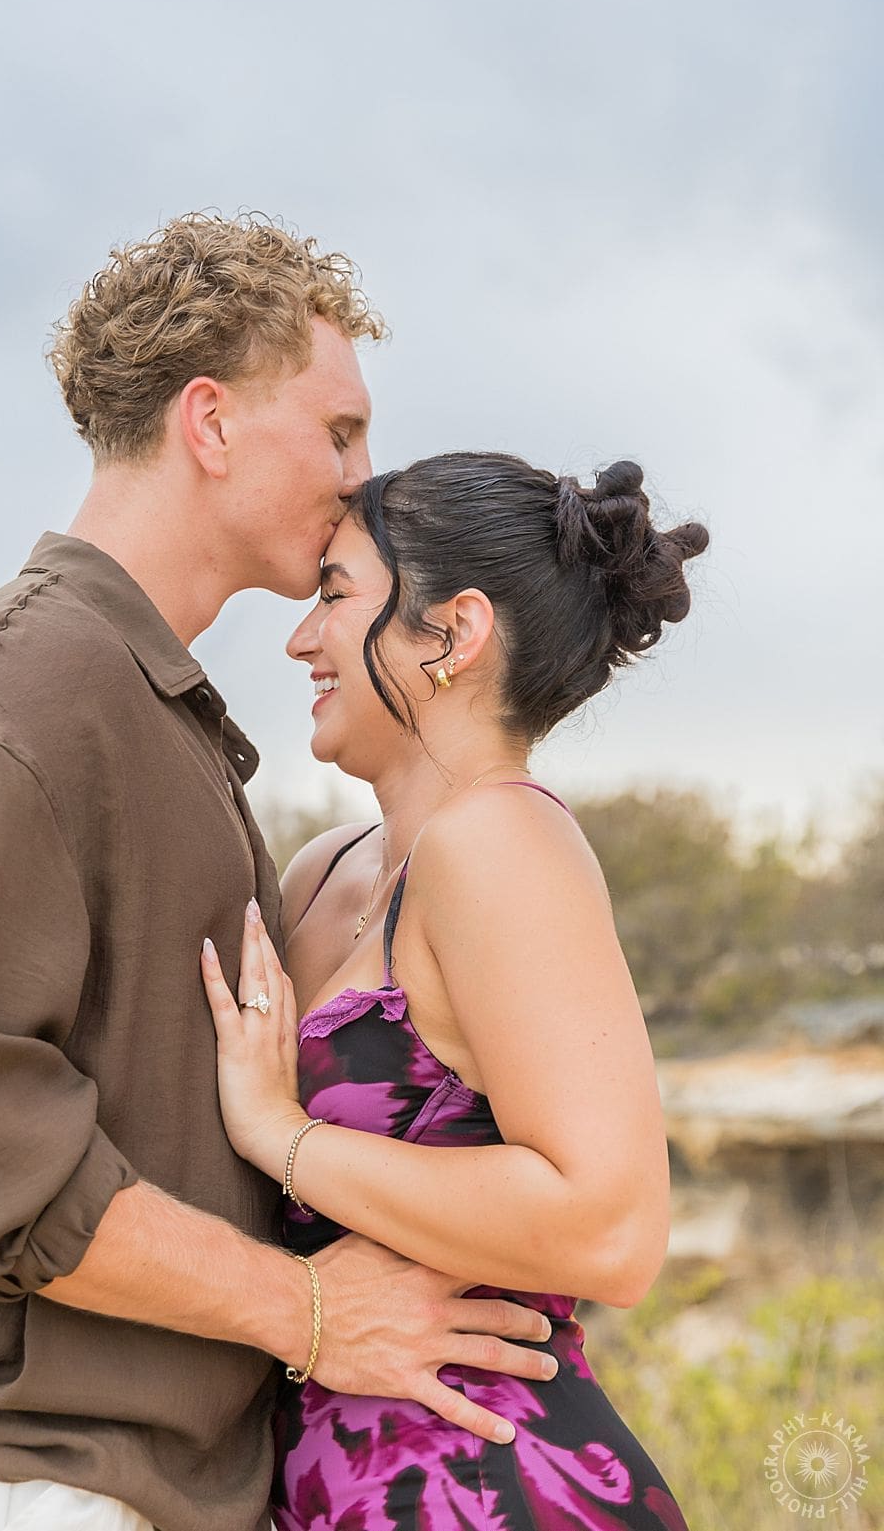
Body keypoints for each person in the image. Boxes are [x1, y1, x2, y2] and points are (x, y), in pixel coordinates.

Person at [0, 218, 563, 1531]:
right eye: (339, 431)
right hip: (24, 1480)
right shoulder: (21, 691)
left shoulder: (143, 701)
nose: (365, 477)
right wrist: (310, 1313)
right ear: (210, 422)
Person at [201, 451, 706, 1528]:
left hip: (486, 1485)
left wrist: (279, 1133)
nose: (301, 637)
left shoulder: (501, 842)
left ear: (451, 634)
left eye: (335, 595)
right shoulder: (325, 870)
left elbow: (611, 1226)